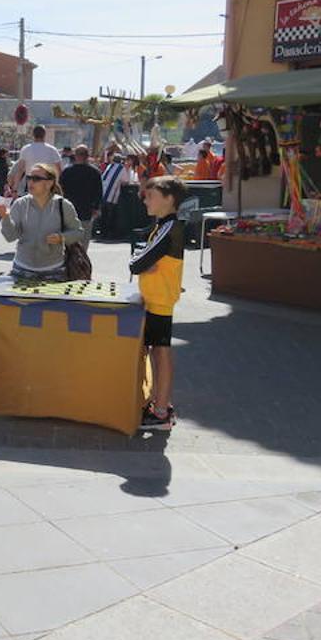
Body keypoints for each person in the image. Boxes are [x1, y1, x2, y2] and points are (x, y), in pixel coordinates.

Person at [129, 176, 188, 431]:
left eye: (151, 196)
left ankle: (161, 410)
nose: (145, 201)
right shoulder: (162, 226)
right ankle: (159, 403)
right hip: (155, 298)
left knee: (161, 351)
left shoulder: (170, 227)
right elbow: (140, 258)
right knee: (156, 350)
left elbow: (137, 262)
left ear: (169, 199)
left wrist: (142, 264)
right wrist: (142, 263)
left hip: (160, 300)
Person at [0, 162, 84, 282]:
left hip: (54, 270)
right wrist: (5, 217)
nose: (30, 182)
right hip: (22, 269)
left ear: (49, 183)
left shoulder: (63, 205)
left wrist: (61, 237)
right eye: (29, 178)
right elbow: (10, 237)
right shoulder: (20, 204)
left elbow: (78, 232)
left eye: (36, 179)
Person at [59, 144, 103, 250]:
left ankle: (69, 263)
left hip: (68, 211)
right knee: (83, 243)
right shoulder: (95, 172)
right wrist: (96, 208)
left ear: (75, 155)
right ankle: (81, 264)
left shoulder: (67, 172)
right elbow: (99, 192)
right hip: (86, 211)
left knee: (68, 243)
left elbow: (60, 191)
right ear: (87, 156)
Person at [8, 125, 62, 195]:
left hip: (31, 183)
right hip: (47, 183)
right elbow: (59, 170)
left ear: (33, 135)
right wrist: (56, 184)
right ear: (44, 135)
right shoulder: (52, 150)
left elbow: (20, 170)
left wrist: (15, 189)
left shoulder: (26, 149)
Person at [99, 152, 126, 239]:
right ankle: (109, 234)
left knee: (104, 215)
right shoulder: (122, 168)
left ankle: (103, 232)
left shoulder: (109, 166)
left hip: (103, 193)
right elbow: (125, 181)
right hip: (112, 195)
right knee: (110, 216)